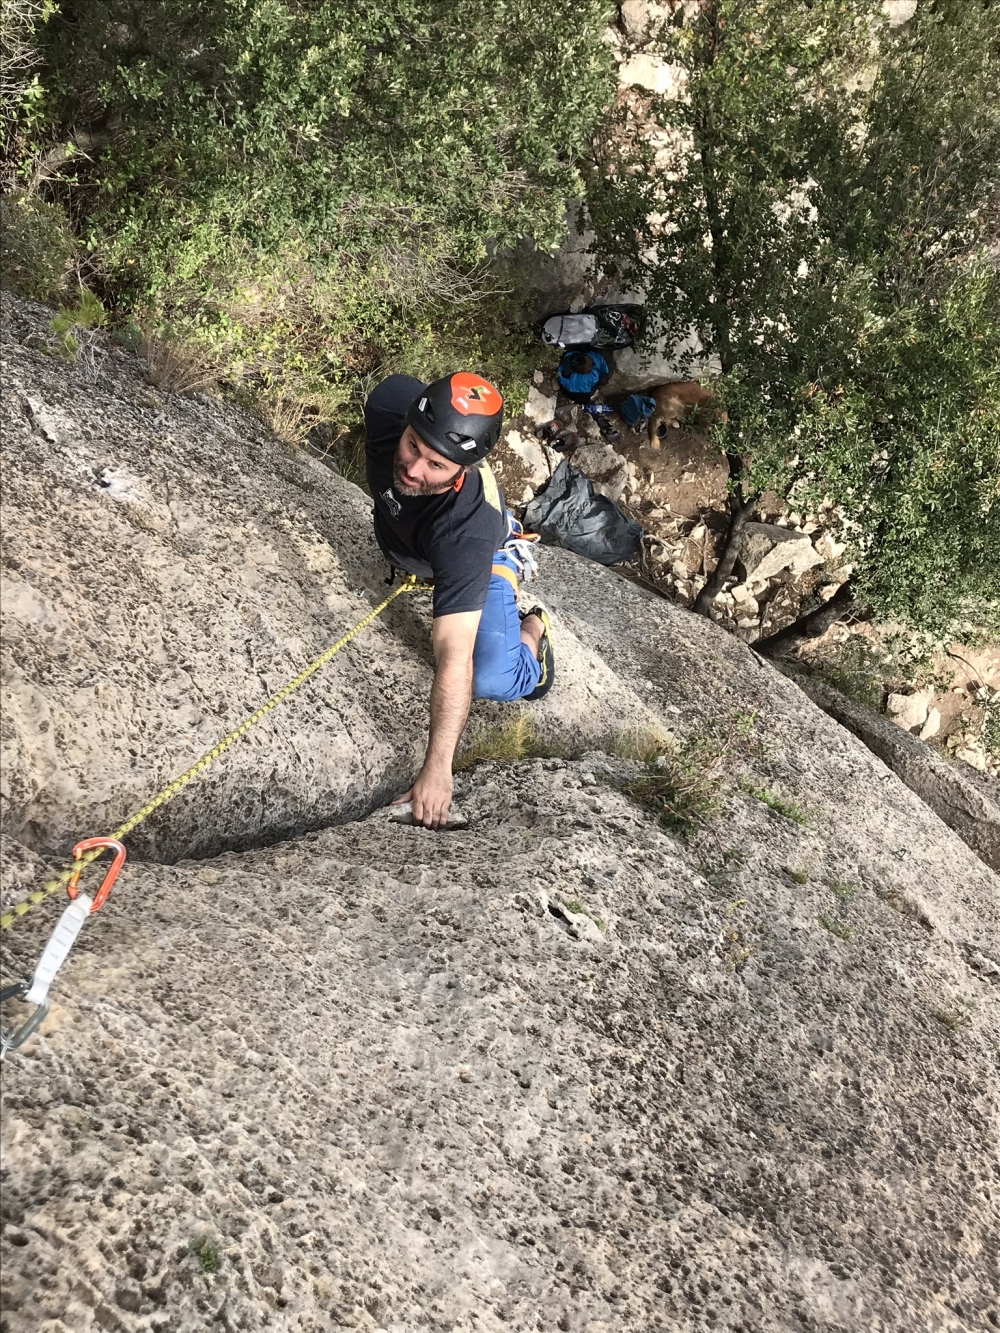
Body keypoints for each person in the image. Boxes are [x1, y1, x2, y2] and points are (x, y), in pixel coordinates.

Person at [364, 372, 554, 829]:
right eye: (413, 446)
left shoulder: (465, 537)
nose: (413, 469)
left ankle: (533, 635)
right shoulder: (390, 403)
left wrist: (437, 768)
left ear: (461, 472)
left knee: (489, 676)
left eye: (436, 465)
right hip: (424, 551)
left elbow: (454, 658)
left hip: (485, 554)